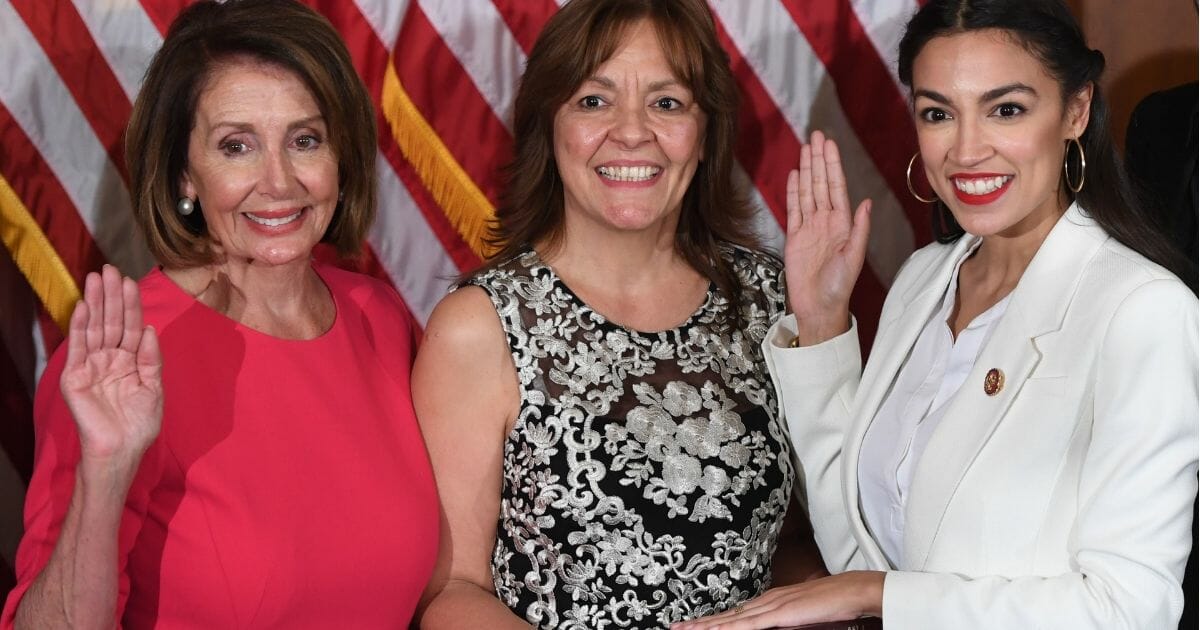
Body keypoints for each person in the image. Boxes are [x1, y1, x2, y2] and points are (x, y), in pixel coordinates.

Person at [676, 0, 1199, 628]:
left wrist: (879, 596)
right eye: (938, 113)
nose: (967, 150)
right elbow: (859, 545)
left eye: (1007, 109)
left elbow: (1131, 610)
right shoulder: (925, 278)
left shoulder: (1143, 311)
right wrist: (819, 322)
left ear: (1076, 110)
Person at [1, 1, 438, 627]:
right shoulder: (123, 354)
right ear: (184, 175)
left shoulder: (381, 317)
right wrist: (106, 471)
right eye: (236, 146)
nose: (279, 181)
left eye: (305, 140)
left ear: (341, 157)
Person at [412, 1, 824, 628]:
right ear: (548, 126)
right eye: (594, 101)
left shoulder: (774, 300)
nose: (632, 132)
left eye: (667, 103)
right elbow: (453, 592)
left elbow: (796, 543)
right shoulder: (481, 325)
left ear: (707, 130)